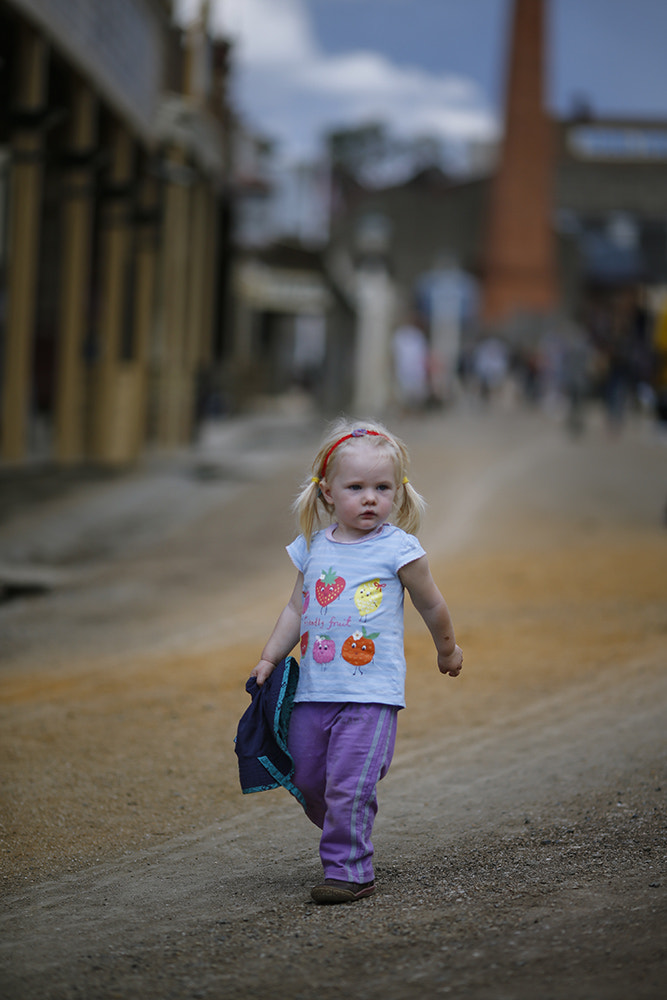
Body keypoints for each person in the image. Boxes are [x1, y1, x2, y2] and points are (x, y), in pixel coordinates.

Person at [250, 418, 463, 904]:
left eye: (382, 487)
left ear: (399, 492)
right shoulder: (314, 548)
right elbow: (296, 608)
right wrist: (269, 657)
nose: (370, 498)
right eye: (356, 487)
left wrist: (446, 648)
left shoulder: (399, 549)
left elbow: (432, 604)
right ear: (327, 493)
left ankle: (349, 870)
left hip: (370, 695)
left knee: (348, 783)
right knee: (307, 777)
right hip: (315, 692)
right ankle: (349, 826)